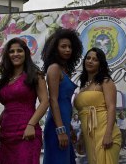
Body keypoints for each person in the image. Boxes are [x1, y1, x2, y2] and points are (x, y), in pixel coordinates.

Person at [0, 37, 49, 164]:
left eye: (19, 51)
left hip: (27, 132)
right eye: (11, 51)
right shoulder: (4, 80)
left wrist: (30, 125)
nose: (15, 54)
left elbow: (45, 101)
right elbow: (11, 105)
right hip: (6, 133)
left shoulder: (36, 75)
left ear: (26, 53)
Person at [42, 28, 83, 164]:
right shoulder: (54, 68)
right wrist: (60, 130)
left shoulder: (64, 70)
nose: (67, 50)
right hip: (55, 126)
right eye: (63, 46)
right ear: (55, 48)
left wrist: (69, 127)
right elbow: (53, 100)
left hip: (64, 123)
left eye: (70, 47)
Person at [74, 47, 121, 164]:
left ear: (100, 64)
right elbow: (83, 115)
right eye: (88, 58)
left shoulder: (105, 81)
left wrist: (108, 134)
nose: (90, 61)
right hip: (89, 136)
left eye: (95, 59)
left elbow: (111, 107)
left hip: (105, 131)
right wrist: (81, 138)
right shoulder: (83, 86)